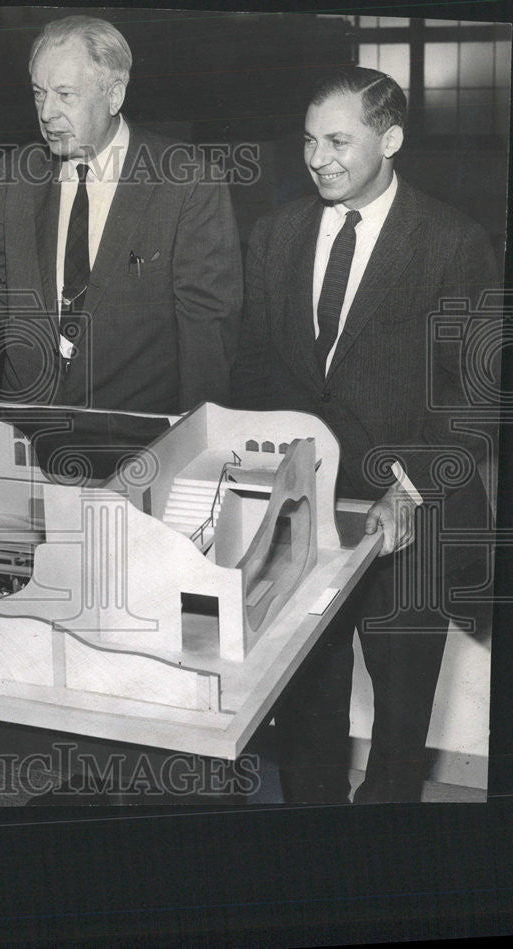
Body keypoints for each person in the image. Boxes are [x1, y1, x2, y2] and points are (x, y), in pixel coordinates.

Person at [232, 67, 497, 803]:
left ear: (392, 139)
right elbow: (254, 370)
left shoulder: (453, 241)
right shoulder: (274, 234)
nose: (318, 158)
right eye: (310, 140)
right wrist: (262, 479)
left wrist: (406, 492)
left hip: (410, 515)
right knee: (306, 710)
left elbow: (472, 398)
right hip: (306, 515)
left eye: (339, 140)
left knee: (400, 722)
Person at [0, 15, 242, 480]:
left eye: (65, 95)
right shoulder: (16, 175)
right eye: (39, 94)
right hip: (23, 446)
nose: (46, 113)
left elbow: (207, 337)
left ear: (114, 94)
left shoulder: (186, 181)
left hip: (137, 452)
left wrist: (197, 462)